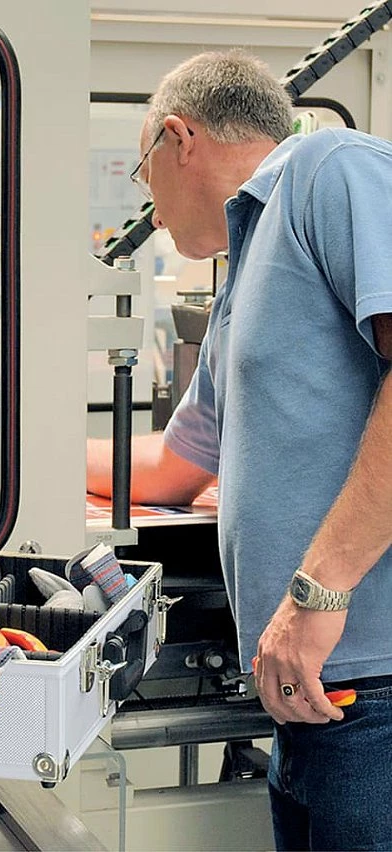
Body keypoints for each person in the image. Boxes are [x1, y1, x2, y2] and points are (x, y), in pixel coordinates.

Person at [86, 50, 392, 850]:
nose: (150, 210)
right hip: (312, 697)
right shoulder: (246, 268)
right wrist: (20, 464)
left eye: (143, 175)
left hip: (377, 693)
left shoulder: (330, 169)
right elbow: (174, 468)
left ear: (177, 138)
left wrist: (316, 595)